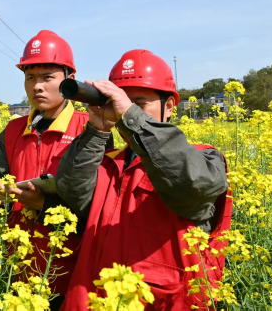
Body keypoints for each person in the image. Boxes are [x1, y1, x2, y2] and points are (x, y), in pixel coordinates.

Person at [56, 49, 232, 310]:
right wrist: (96, 130)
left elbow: (190, 185)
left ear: (169, 106)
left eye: (140, 103)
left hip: (163, 301)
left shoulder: (204, 157)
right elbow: (73, 196)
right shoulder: (108, 160)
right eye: (121, 102)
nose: (124, 110)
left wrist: (131, 117)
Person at [0, 30, 89, 310]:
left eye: (48, 77)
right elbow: (2, 184)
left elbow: (97, 205)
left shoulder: (89, 130)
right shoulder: (12, 130)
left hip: (69, 268)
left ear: (68, 81)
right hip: (19, 266)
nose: (38, 86)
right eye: (30, 77)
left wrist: (43, 203)